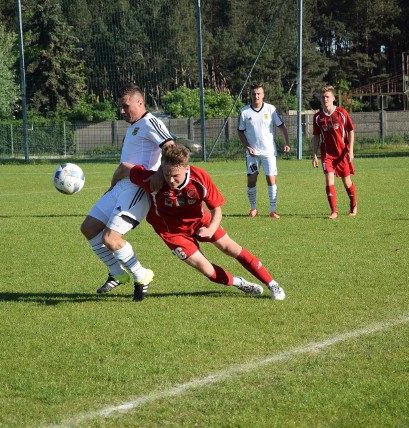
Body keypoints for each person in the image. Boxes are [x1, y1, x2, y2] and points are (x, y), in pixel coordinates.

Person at [125, 144, 286, 300]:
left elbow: (216, 209)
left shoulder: (199, 178)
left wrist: (210, 229)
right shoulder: (153, 180)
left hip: (201, 222)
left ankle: (272, 284)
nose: (171, 180)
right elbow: (126, 168)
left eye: (175, 175)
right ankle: (239, 282)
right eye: (167, 175)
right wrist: (112, 187)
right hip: (171, 232)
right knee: (206, 270)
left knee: (231, 248)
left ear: (186, 168)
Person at [80, 83, 174, 301]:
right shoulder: (134, 127)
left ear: (139, 102)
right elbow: (125, 164)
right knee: (88, 228)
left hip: (138, 189)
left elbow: (170, 146)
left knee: (111, 238)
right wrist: (112, 186)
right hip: (122, 186)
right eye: (120, 107)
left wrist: (160, 174)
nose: (122, 111)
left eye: (125, 106)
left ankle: (142, 276)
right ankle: (117, 273)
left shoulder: (151, 122)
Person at [237, 84, 291, 218]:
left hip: (269, 152)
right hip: (252, 154)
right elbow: (240, 131)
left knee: (271, 179)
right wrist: (247, 146)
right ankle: (253, 208)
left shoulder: (270, 109)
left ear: (263, 95)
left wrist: (287, 142)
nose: (256, 96)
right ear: (250, 95)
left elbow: (282, 126)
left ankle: (273, 210)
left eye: (259, 94)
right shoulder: (244, 112)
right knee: (252, 180)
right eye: (254, 94)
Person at [312, 85, 357, 219]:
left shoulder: (341, 113)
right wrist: (314, 154)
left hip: (342, 153)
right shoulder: (317, 117)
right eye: (323, 97)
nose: (325, 99)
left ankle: (353, 204)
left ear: (333, 98)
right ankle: (334, 211)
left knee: (346, 181)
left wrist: (351, 150)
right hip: (327, 154)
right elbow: (316, 137)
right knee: (329, 180)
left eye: (327, 97)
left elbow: (350, 131)